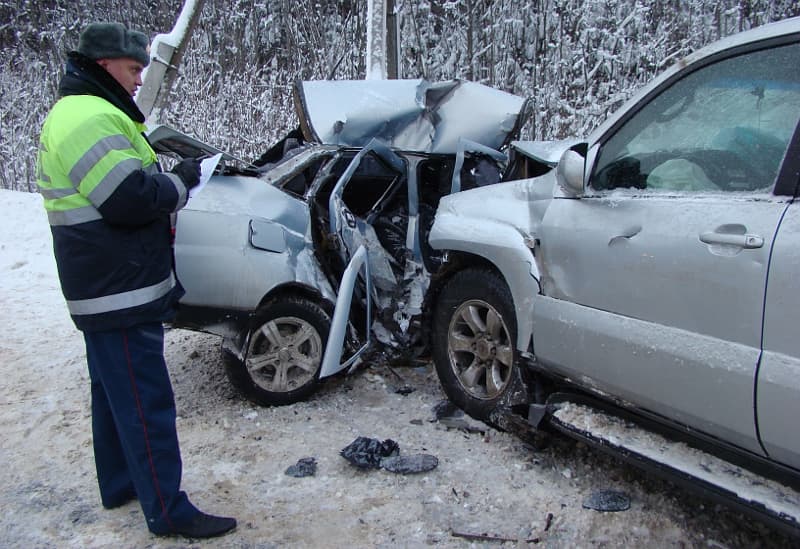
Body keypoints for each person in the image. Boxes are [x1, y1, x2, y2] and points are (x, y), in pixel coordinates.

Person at [35, 22, 236, 539]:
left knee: (112, 392)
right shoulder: (87, 116)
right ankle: (168, 510)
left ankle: (121, 483)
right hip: (117, 288)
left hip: (104, 284)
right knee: (145, 400)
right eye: (131, 70)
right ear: (104, 65)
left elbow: (119, 185)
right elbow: (128, 199)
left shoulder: (82, 112)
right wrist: (183, 181)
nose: (136, 79)